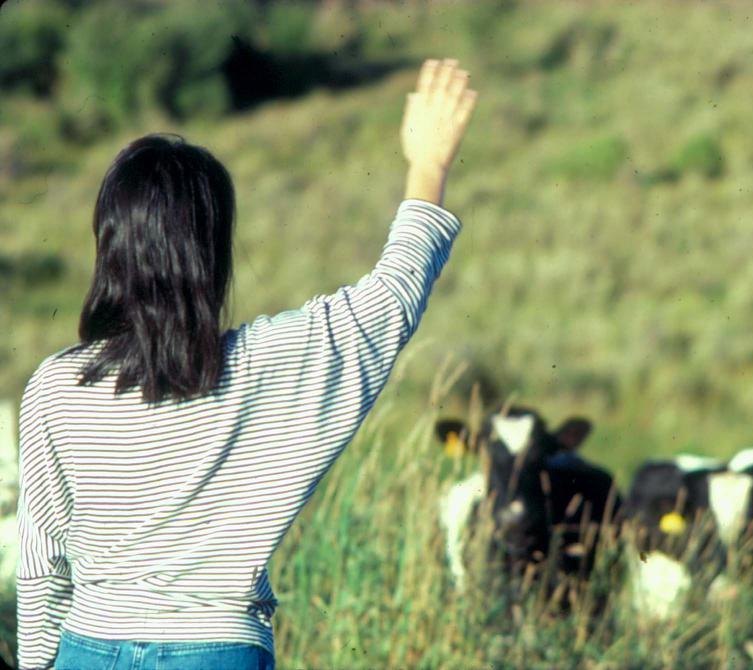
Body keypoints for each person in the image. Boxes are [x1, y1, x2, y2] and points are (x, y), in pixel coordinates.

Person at [16, 58, 477, 670]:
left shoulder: (56, 386)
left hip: (87, 647)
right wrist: (428, 166)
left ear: (109, 246)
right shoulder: (268, 363)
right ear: (212, 250)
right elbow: (393, 294)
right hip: (219, 650)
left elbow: (41, 567)